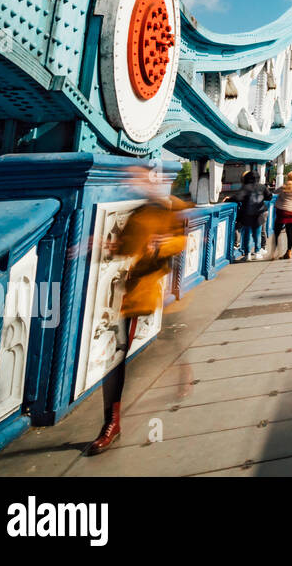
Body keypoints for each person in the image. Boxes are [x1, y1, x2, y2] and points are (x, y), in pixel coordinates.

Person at [84, 167, 187, 456]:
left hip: (150, 289)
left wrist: (166, 244)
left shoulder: (170, 210)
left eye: (140, 177)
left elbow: (181, 239)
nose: (135, 182)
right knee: (117, 358)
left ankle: (111, 424)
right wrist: (100, 245)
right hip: (130, 291)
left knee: (120, 356)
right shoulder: (138, 214)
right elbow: (125, 248)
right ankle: (111, 424)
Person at [229, 170, 273, 260]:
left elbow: (237, 198)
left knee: (247, 235)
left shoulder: (245, 187)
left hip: (247, 214)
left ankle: (247, 254)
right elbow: (269, 197)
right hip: (259, 213)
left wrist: (229, 199)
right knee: (257, 234)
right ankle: (257, 252)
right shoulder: (262, 187)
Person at [274, 170, 292, 259]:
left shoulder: (284, 186)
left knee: (277, 231)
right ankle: (288, 251)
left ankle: (275, 252)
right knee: (289, 232)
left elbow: (275, 192)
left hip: (282, 210)